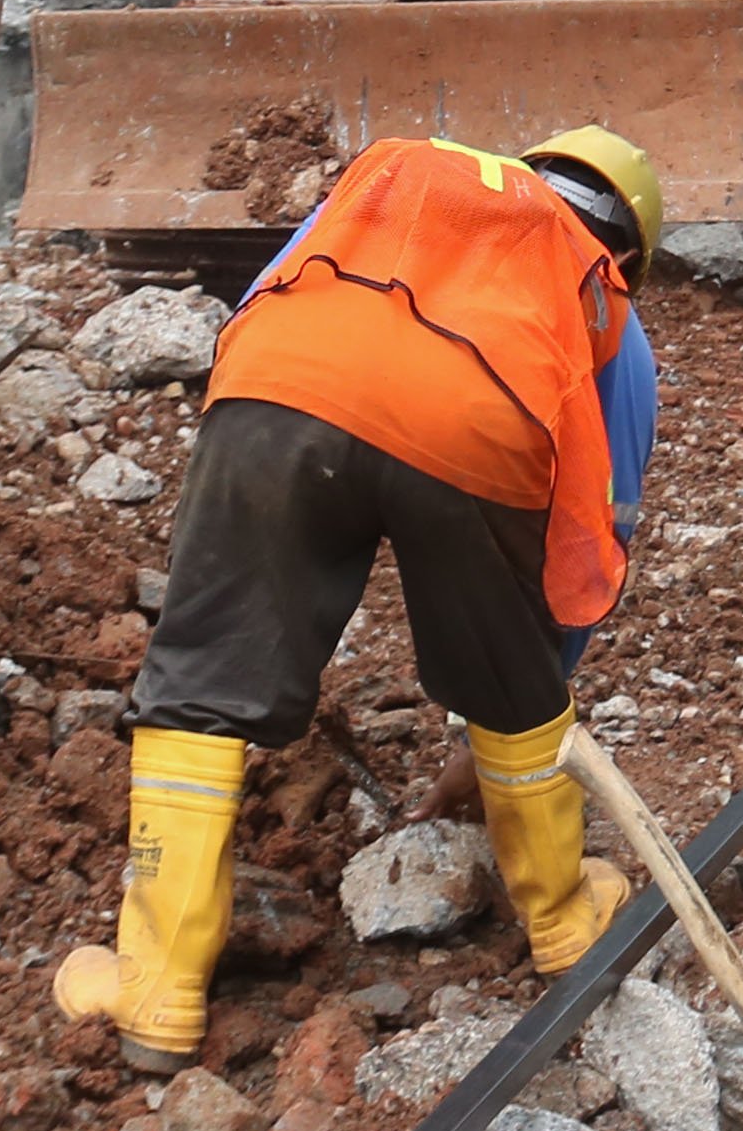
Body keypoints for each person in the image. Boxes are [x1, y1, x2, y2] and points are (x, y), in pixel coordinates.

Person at [56, 126, 667, 1070]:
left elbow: (280, 289)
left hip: (280, 384)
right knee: (514, 679)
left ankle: (157, 989)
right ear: (629, 253)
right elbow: (594, 529)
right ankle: (565, 923)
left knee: (202, 679)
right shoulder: (600, 292)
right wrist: (522, 689)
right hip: (480, 423)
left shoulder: (409, 187)